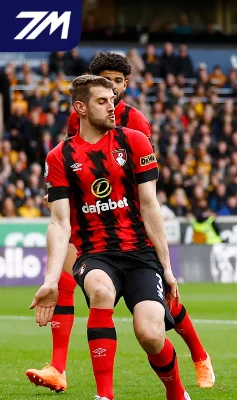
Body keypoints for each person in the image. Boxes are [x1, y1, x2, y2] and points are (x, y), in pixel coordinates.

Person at [27, 53, 215, 392]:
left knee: (150, 333)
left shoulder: (135, 133)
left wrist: (167, 266)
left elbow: (149, 202)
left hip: (138, 246)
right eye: (103, 97)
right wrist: (49, 279)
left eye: (114, 92)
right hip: (95, 251)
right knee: (96, 288)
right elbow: (58, 223)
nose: (111, 102)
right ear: (81, 108)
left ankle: (186, 375)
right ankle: (99, 391)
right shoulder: (60, 153)